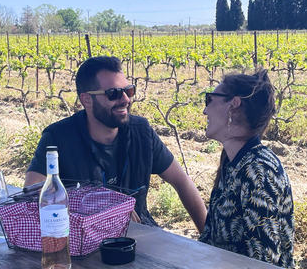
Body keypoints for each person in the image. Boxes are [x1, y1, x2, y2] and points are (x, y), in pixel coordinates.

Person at [24, 56, 206, 233]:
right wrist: (107, 211)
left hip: (136, 233)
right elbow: (31, 198)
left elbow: (182, 182)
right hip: (81, 239)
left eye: (129, 90)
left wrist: (209, 241)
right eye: (114, 93)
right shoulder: (58, 138)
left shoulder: (141, 133)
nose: (126, 99)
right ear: (86, 99)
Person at [198, 69, 295, 267]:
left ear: (233, 105)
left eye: (210, 99)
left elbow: (262, 263)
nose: (205, 110)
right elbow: (208, 240)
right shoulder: (231, 162)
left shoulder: (259, 172)